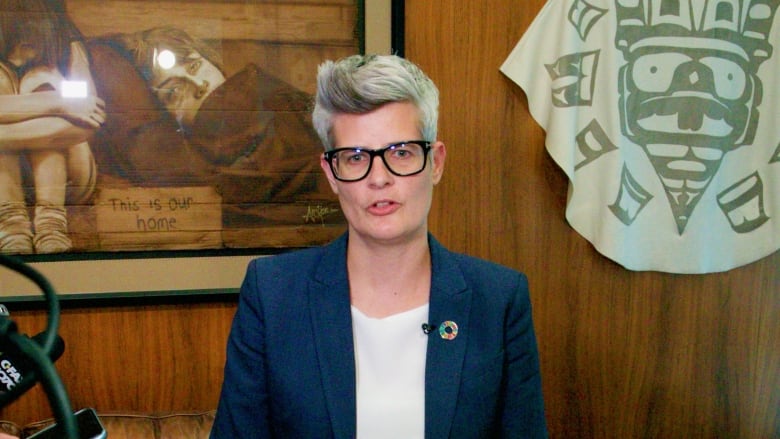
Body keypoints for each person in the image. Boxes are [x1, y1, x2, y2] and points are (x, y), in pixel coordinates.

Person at [210, 54, 548, 438]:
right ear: (331, 174)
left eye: (401, 153)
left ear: (435, 162)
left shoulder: (499, 300)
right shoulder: (273, 294)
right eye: (355, 158)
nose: (380, 178)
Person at [0, 0, 104, 254]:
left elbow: (88, 118)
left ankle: (50, 224)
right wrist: (54, 104)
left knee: (42, 79)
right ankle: (11, 223)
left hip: (69, 176)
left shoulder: (66, 43)